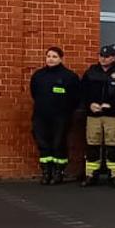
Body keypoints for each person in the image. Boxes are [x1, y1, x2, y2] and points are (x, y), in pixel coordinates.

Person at [80, 44, 115, 187]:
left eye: (106, 56)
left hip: (113, 115)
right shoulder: (91, 72)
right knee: (92, 145)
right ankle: (91, 175)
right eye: (101, 56)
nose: (103, 59)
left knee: (114, 145)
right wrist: (90, 104)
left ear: (113, 58)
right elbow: (82, 92)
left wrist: (113, 105)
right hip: (93, 115)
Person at [29, 47, 82, 185]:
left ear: (61, 58)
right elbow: (34, 93)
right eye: (48, 56)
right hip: (41, 117)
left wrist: (65, 111)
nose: (50, 59)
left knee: (59, 144)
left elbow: (76, 98)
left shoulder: (69, 77)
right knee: (43, 144)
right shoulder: (38, 75)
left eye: (54, 56)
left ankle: (59, 173)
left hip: (61, 118)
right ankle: (46, 173)